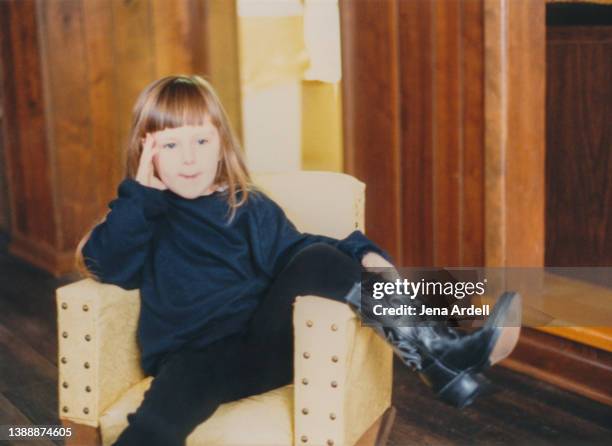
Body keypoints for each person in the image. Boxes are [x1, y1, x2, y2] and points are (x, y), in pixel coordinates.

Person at [76, 75, 521, 446]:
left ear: (221, 144)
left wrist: (361, 252)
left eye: (201, 140)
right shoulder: (144, 214)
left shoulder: (246, 206)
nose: (189, 158)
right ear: (145, 153)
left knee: (323, 258)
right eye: (170, 146)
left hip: (263, 346)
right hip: (190, 360)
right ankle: (447, 367)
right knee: (172, 400)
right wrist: (140, 195)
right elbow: (107, 263)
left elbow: (300, 252)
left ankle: (440, 351)